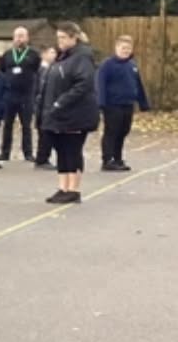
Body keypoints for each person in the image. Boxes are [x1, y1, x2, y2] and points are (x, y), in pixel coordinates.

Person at [41, 23, 99, 205]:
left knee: (72, 150)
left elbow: (83, 84)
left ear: (74, 38)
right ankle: (63, 187)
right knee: (61, 150)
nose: (60, 41)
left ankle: (74, 189)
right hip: (59, 115)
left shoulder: (82, 57)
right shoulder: (63, 57)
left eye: (63, 37)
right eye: (58, 38)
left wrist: (61, 102)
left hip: (76, 114)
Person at [97, 36, 150, 171]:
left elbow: (138, 85)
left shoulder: (132, 65)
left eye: (128, 48)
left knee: (123, 131)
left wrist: (143, 103)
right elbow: (100, 84)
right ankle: (107, 160)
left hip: (128, 104)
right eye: (123, 48)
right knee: (112, 131)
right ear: (116, 48)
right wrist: (100, 103)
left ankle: (118, 158)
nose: (126, 51)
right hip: (112, 104)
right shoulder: (107, 65)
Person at [0, 26, 41, 161]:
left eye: (22, 36)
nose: (19, 39)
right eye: (17, 36)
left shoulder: (33, 54)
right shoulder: (7, 55)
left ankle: (28, 153)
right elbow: (2, 70)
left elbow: (37, 71)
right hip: (10, 94)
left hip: (26, 95)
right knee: (7, 125)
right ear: (13, 38)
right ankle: (5, 152)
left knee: (26, 126)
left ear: (27, 38)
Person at [34, 47, 59, 169]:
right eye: (51, 52)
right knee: (45, 133)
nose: (54, 55)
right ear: (44, 54)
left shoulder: (53, 68)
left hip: (47, 105)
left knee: (47, 133)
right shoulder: (42, 70)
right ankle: (42, 159)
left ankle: (43, 158)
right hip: (42, 106)